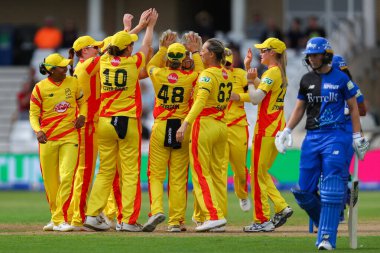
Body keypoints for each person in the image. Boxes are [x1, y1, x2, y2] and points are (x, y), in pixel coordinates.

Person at [275, 37, 369, 250]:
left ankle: (326, 237)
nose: (311, 58)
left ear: (326, 55)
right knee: (303, 190)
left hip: (336, 135)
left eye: (315, 54)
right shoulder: (306, 79)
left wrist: (356, 136)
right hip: (312, 137)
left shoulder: (342, 79)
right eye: (309, 55)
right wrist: (287, 129)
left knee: (332, 187)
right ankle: (331, 220)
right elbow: (300, 107)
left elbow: (355, 108)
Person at [83, 8, 158, 232]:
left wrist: (129, 28)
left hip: (105, 122)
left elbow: (110, 46)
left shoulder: (103, 60)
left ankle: (91, 215)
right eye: (130, 44)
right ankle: (128, 220)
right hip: (126, 121)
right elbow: (146, 46)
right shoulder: (132, 62)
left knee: (105, 171)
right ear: (128, 48)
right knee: (130, 172)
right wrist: (150, 26)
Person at [143, 31, 202, 232]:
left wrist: (162, 49)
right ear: (183, 59)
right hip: (181, 127)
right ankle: (175, 222)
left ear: (168, 59)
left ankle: (157, 209)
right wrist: (194, 53)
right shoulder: (191, 77)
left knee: (156, 175)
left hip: (161, 126)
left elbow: (149, 66)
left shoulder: (158, 73)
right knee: (178, 177)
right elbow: (203, 76)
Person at [176, 38, 234, 232]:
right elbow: (207, 74)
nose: (200, 53)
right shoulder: (226, 74)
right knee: (218, 174)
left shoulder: (207, 75)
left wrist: (185, 124)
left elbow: (200, 102)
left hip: (205, 125)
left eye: (203, 51)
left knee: (201, 172)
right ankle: (219, 216)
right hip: (221, 125)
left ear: (211, 54)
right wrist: (194, 52)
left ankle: (213, 216)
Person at [29, 53, 87, 232]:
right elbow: (33, 115)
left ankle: (60, 219)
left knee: (67, 177)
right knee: (50, 182)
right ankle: (56, 218)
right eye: (62, 66)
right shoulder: (39, 88)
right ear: (52, 70)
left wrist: (82, 115)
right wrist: (38, 130)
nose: (65, 68)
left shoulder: (73, 82)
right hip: (47, 140)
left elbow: (82, 102)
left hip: (70, 137)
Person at [242, 38, 293, 233]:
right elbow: (265, 89)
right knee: (260, 173)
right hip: (276, 128)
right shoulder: (278, 72)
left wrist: (248, 81)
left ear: (273, 52)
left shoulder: (272, 72)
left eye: (263, 50)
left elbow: (255, 99)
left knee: (256, 173)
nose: (260, 53)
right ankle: (281, 207)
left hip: (266, 129)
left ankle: (262, 219)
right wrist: (250, 71)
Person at [331, 55, 367, 222]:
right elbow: (363, 110)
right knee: (338, 171)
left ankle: (341, 206)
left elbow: (362, 110)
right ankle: (345, 200)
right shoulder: (352, 85)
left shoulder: (331, 85)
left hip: (344, 133)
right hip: (346, 133)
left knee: (336, 172)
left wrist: (347, 112)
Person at [224, 48, 251, 213]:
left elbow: (255, 96)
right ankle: (215, 210)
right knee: (218, 169)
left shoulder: (240, 74)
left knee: (240, 169)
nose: (226, 65)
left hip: (238, 125)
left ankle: (242, 194)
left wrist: (239, 97)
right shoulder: (210, 74)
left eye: (228, 62)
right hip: (217, 125)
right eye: (223, 62)